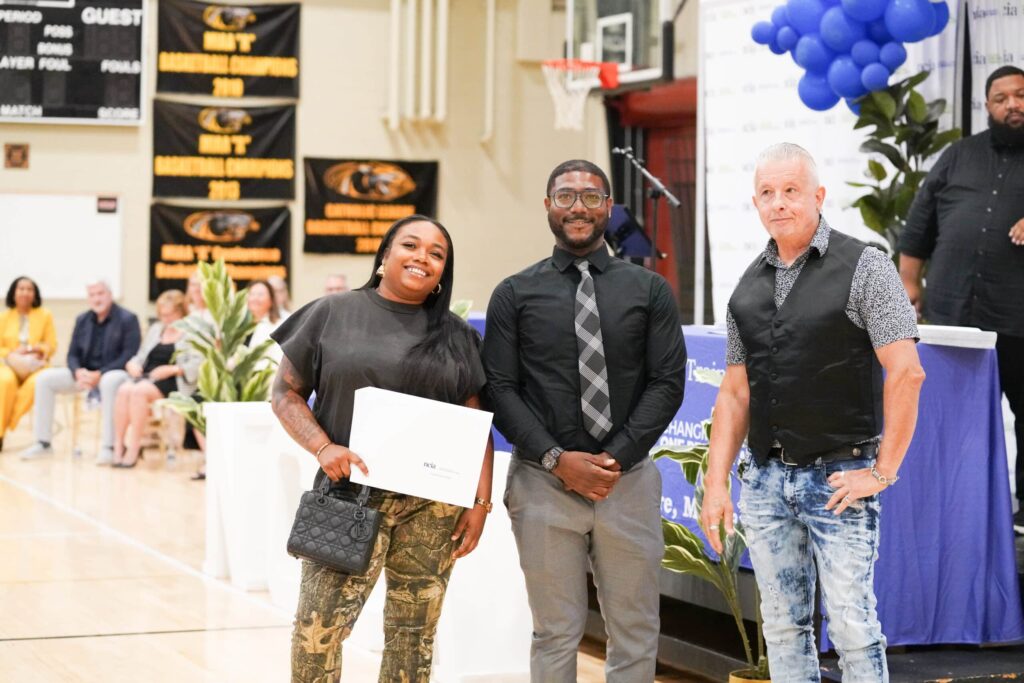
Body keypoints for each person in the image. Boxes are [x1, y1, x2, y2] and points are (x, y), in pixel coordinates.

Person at [701, 143, 925, 681]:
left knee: (852, 626)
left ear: (819, 196)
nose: (779, 203)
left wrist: (883, 472)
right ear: (755, 203)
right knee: (781, 627)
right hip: (764, 481)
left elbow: (907, 371)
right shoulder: (745, 288)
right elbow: (734, 394)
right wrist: (715, 485)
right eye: (767, 193)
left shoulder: (866, 265)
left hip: (839, 477)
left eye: (791, 191)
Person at [482, 159, 687, 682]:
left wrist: (614, 457)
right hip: (542, 484)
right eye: (566, 196)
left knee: (636, 631)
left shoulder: (649, 290)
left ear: (609, 208)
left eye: (592, 197)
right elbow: (500, 390)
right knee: (554, 633)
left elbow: (667, 382)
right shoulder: (513, 294)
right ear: (548, 206)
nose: (579, 207)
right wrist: (558, 460)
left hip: (629, 482)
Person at [270, 214, 494, 683]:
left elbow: (476, 424)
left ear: (442, 272)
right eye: (411, 246)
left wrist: (480, 502)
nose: (423, 258)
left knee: (414, 637)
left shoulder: (457, 336)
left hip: (432, 509)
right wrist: (322, 446)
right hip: (349, 497)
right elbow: (285, 394)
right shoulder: (331, 313)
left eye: (437, 254)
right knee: (318, 630)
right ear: (385, 255)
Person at [898, 65, 1024, 532]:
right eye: (1001, 97)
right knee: (944, 413)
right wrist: (907, 280)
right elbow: (919, 222)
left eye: (1020, 95)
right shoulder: (958, 155)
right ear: (987, 106)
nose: (1012, 104)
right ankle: (945, 505)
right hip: (952, 315)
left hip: (1017, 318)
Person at [22, 280, 141, 463]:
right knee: (44, 379)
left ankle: (108, 447)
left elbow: (129, 354)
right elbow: (72, 354)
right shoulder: (82, 319)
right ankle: (43, 443)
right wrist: (78, 371)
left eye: (100, 294)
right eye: (92, 295)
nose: (96, 299)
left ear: (110, 295)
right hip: (84, 374)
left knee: (109, 381)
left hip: (114, 373)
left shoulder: (128, 319)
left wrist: (100, 374)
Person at [110, 290, 199, 468]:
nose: (165, 319)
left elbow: (197, 364)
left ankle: (134, 448)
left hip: (173, 380)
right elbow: (141, 356)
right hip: (148, 375)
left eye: (170, 315)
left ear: (181, 312)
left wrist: (173, 369)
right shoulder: (156, 329)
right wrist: (132, 364)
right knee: (123, 390)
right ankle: (119, 445)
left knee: (138, 392)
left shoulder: (192, 332)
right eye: (162, 315)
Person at [0, 277, 57, 452]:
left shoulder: (44, 315)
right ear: (14, 292)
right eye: (21, 288)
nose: (25, 292)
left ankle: (8, 421)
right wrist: (12, 353)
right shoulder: (4, 317)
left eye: (29, 289)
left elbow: (51, 345)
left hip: (36, 365)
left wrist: (34, 349)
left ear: (35, 294)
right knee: (5, 382)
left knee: (37, 383)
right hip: (10, 364)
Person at [245, 279, 283, 368]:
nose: (255, 298)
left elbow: (278, 361)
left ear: (271, 300)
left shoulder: (278, 326)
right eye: (252, 294)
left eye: (260, 294)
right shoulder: (243, 328)